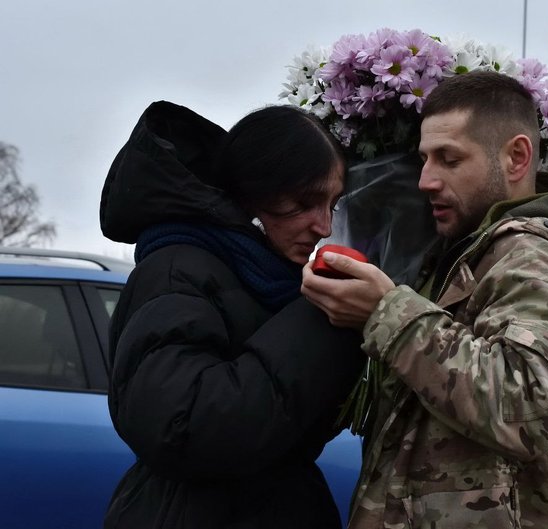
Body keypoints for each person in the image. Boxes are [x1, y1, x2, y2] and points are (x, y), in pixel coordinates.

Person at [301, 71, 548, 528]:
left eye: (448, 159)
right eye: (423, 160)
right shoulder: (474, 250)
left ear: (517, 158)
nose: (425, 180)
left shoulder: (533, 257)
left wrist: (388, 313)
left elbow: (529, 411)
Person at [99, 101, 365, 529]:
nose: (323, 226)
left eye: (332, 205)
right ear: (251, 194)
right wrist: (323, 321)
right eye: (304, 202)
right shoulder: (177, 268)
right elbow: (180, 427)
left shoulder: (265, 278)